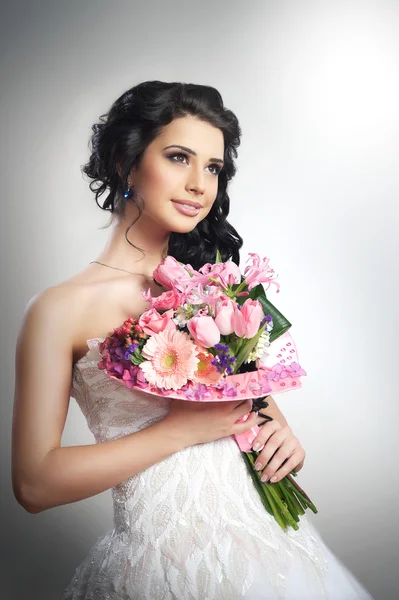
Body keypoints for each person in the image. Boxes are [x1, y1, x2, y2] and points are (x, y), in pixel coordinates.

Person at [11, 80, 374, 599]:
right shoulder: (58, 310)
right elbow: (34, 483)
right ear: (124, 161)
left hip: (274, 558)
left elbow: (249, 415)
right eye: (180, 157)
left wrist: (275, 435)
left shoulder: (219, 291)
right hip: (160, 568)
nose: (201, 184)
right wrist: (178, 431)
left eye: (212, 167)